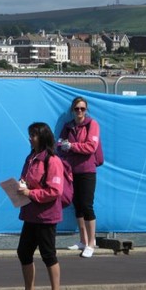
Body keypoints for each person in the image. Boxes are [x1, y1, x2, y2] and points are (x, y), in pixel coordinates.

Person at [8, 122, 64, 290]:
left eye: (33, 135)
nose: (30, 138)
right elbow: (28, 180)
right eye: (29, 135)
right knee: (23, 252)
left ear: (43, 137)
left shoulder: (52, 160)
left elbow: (55, 190)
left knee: (48, 254)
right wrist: (21, 186)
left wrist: (30, 193)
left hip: (46, 215)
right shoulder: (31, 157)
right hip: (30, 214)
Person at [57, 96, 101, 258]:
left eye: (82, 109)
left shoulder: (92, 124)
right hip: (71, 170)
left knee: (87, 205)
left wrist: (72, 146)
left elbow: (91, 146)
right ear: (72, 110)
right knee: (77, 205)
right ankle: (83, 240)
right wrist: (63, 145)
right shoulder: (67, 126)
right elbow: (59, 144)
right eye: (77, 109)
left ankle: (91, 243)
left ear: (86, 110)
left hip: (87, 170)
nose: (80, 112)